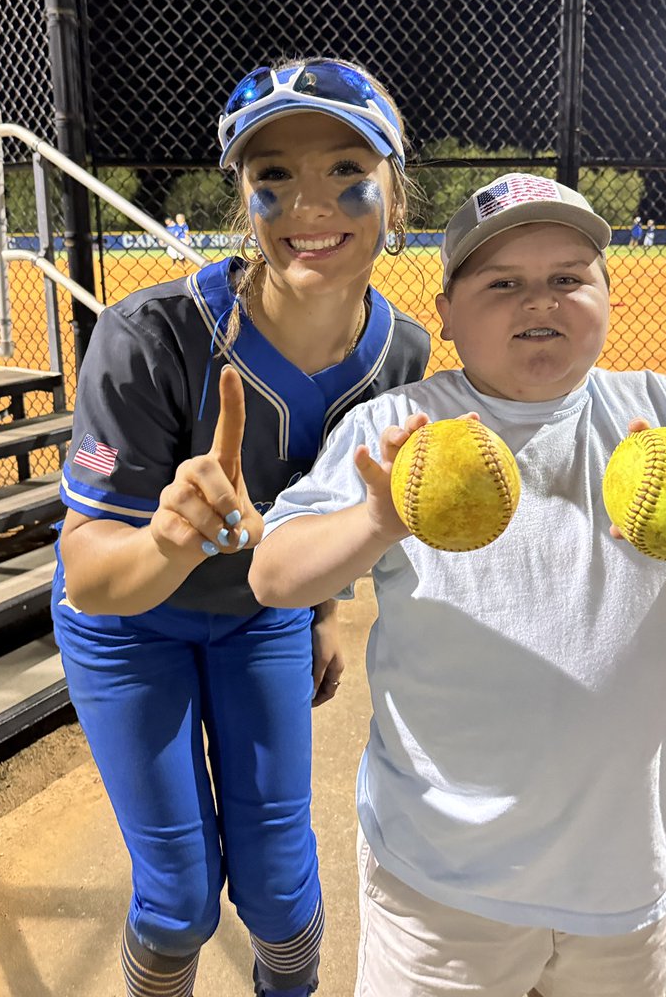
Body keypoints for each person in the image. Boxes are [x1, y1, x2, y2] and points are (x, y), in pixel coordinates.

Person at [249, 172, 666, 997]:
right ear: (446, 315)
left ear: (608, 298)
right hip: (442, 878)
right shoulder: (397, 428)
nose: (539, 301)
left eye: (568, 278)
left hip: (622, 871)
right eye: (502, 283)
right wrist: (376, 520)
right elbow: (274, 574)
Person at [51, 57, 430, 997]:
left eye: (347, 170)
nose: (311, 203)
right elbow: (90, 578)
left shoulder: (402, 353)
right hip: (131, 626)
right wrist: (166, 542)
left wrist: (322, 611)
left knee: (280, 892)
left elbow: (337, 508)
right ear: (245, 201)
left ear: (395, 193)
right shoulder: (149, 337)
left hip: (261, 617)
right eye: (274, 176)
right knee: (178, 902)